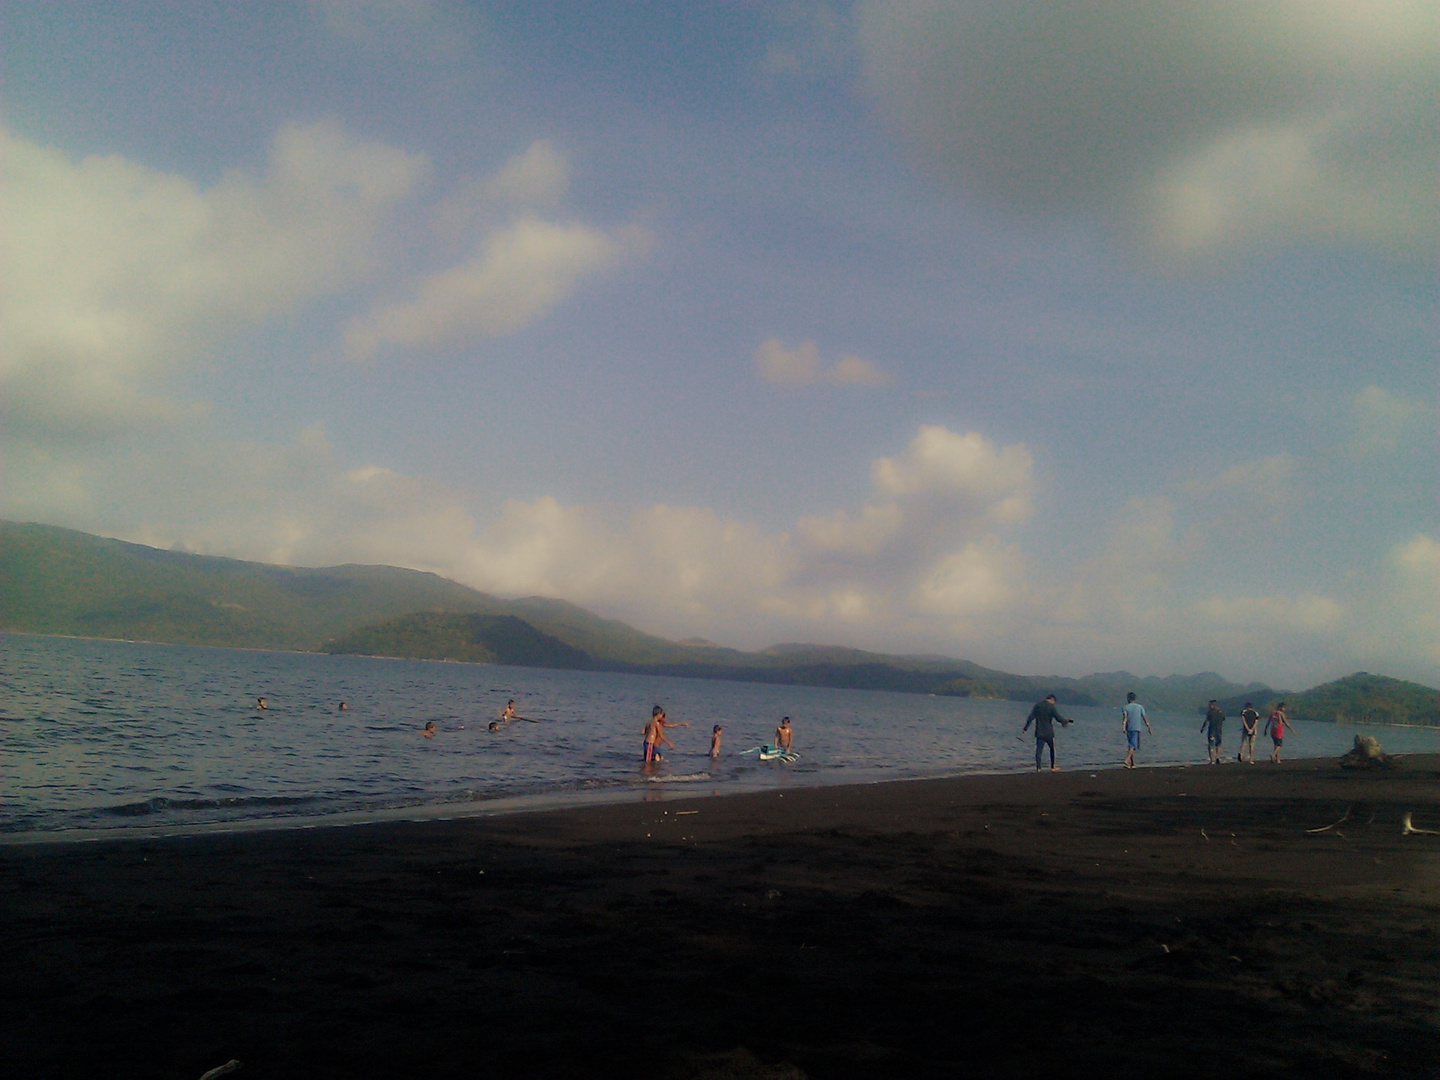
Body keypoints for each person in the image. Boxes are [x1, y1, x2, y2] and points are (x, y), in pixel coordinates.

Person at [1023, 694, 1071, 772]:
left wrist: (1025, 728)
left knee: (1039, 750)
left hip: (1039, 732)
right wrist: (1065, 721)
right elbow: (1058, 718)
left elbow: (1031, 717)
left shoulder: (1037, 705)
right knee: (1052, 749)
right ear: (1052, 700)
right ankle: (1052, 767)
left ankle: (1038, 768)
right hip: (1049, 732)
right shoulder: (1051, 707)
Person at [1120, 691, 1152, 770]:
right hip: (1136, 728)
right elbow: (1144, 717)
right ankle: (1126, 761)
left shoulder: (1125, 707)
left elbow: (1125, 718)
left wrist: (1123, 726)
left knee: (1131, 745)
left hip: (1129, 728)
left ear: (1128, 698)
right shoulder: (1140, 707)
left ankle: (1133, 763)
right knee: (1133, 745)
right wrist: (1148, 727)